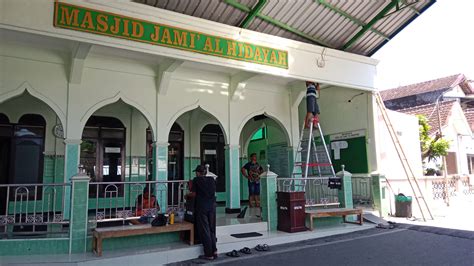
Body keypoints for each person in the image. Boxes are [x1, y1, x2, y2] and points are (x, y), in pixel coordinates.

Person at [188, 165, 217, 260]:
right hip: (212, 207)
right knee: (212, 229)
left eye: (196, 172)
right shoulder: (212, 180)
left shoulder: (196, 180)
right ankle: (214, 250)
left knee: (205, 229)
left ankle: (209, 254)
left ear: (198, 172)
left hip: (202, 207)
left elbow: (194, 194)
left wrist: (186, 195)